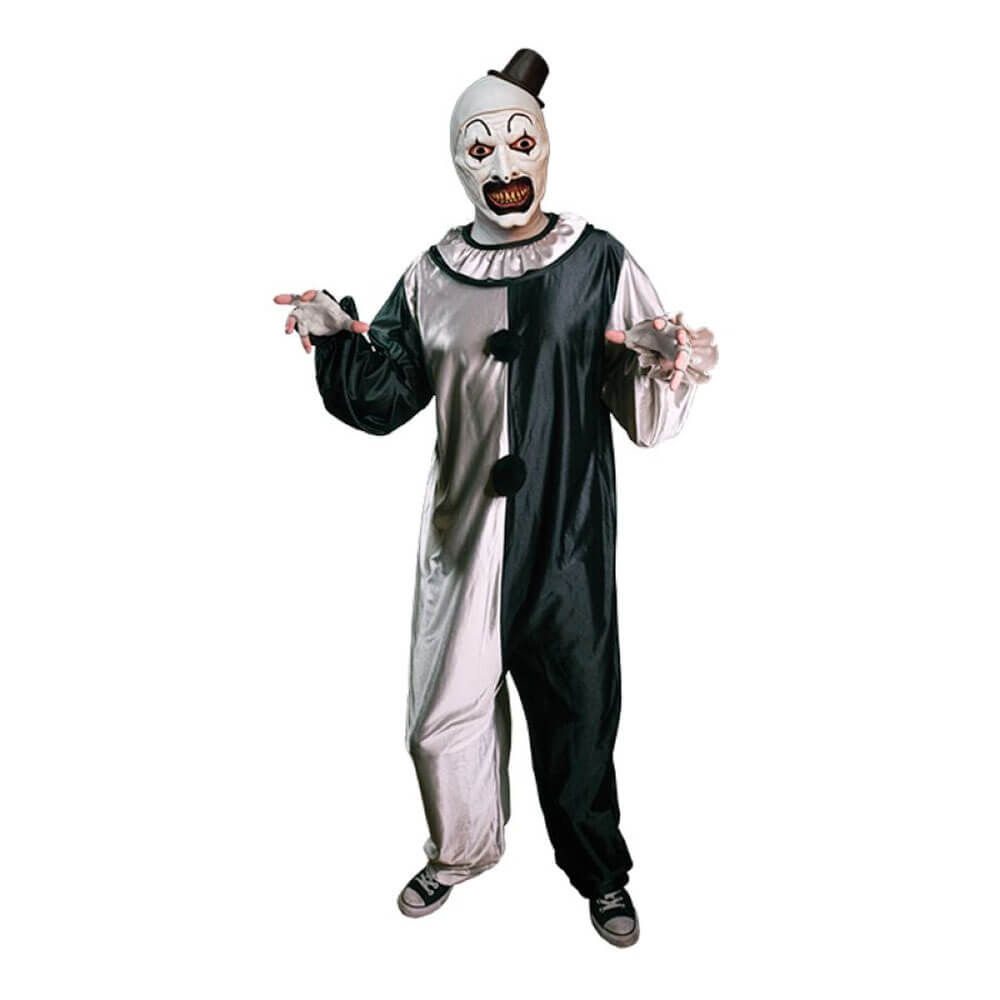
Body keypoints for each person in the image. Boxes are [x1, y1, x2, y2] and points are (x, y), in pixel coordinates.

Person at [273, 48, 718, 948]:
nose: (503, 163)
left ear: (545, 146)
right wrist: (336, 337)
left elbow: (646, 414)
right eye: (480, 148)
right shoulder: (432, 275)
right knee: (443, 717)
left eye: (519, 142)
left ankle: (599, 874)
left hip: (565, 541)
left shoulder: (597, 261)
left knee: (578, 711)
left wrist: (662, 362)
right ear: (458, 161)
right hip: (463, 540)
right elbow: (385, 396)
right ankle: (459, 850)